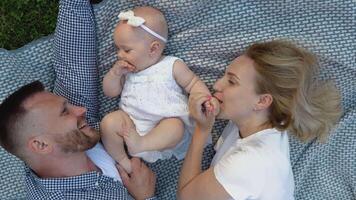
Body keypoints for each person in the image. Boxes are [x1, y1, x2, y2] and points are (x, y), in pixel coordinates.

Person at [0, 0, 157, 199]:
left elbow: (74, 64)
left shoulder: (72, 137)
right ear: (41, 145)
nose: (80, 109)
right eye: (65, 111)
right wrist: (147, 197)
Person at [177, 40, 342, 200]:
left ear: (262, 101)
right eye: (224, 76)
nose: (217, 85)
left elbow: (186, 197)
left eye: (231, 82)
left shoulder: (251, 161)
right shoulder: (251, 123)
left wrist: (202, 129)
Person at [101, 6, 215, 173]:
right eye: (118, 49)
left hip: (163, 129)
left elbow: (192, 83)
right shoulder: (127, 70)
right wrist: (114, 74)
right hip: (131, 126)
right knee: (108, 122)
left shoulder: (171, 65)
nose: (119, 55)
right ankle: (123, 161)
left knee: (175, 126)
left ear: (153, 49)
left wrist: (203, 98)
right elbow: (110, 92)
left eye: (126, 50)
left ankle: (142, 144)